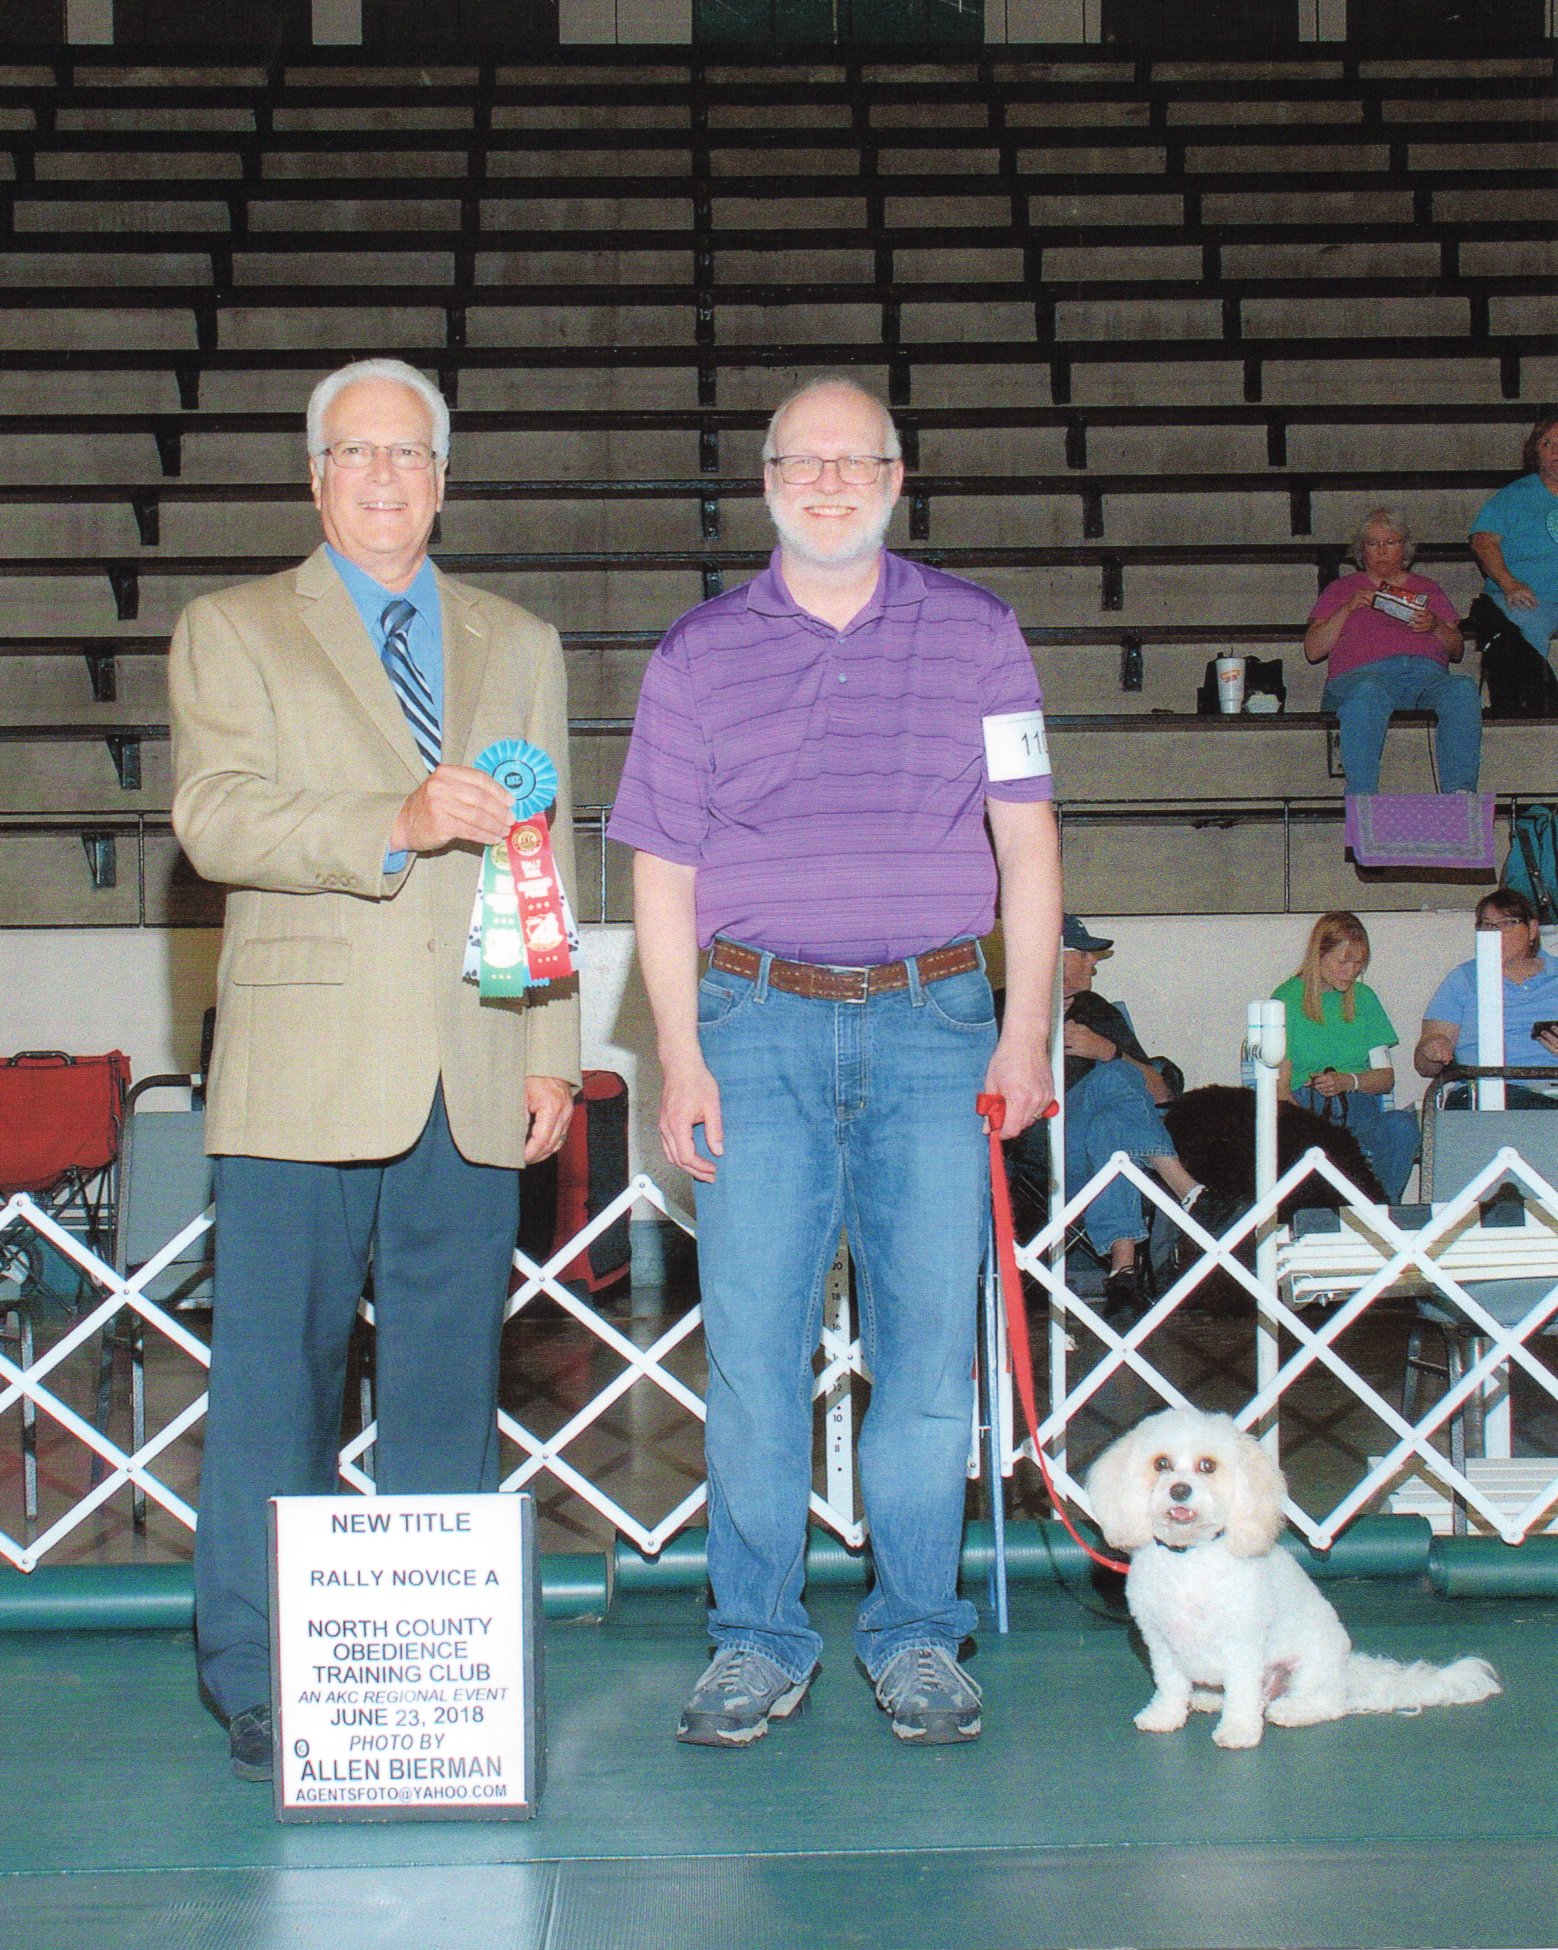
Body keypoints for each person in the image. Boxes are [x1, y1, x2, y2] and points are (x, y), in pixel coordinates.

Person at [608, 375, 1062, 1749]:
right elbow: (660, 869)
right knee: (752, 1353)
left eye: (853, 460)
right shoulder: (694, 653)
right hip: (753, 1030)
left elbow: (1027, 842)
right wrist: (679, 1051)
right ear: (764, 483)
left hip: (938, 1027)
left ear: (896, 478)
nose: (825, 481)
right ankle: (752, 1638)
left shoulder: (981, 633)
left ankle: (918, 1632)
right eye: (800, 461)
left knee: (926, 1357)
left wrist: (1024, 1028)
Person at [168, 358, 580, 1781]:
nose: (385, 476)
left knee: (451, 1389)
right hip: (299, 1068)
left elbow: (544, 848)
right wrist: (392, 821)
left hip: (473, 1063)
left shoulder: (519, 639)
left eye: (409, 453)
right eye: (357, 452)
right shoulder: (230, 628)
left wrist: (549, 1047)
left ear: (443, 480)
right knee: (272, 1388)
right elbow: (215, 818)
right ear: (314, 475)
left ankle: (442, 1670)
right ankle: (255, 1673)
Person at [1057, 916, 1230, 1321]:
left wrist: (1107, 1049)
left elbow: (1162, 1094)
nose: (1093, 964)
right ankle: (1189, 1192)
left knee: (1112, 1121)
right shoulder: (1005, 1009)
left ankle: (1123, 1275)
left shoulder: (1096, 1011)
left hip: (1097, 1152)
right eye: (1084, 954)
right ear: (1053, 958)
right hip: (1045, 1152)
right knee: (1113, 1078)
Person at [1303, 506, 1478, 798]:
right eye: (1373, 543)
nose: (1382, 551)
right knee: (1368, 691)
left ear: (1404, 547)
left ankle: (1461, 792)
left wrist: (1436, 624)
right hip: (1361, 675)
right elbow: (1313, 650)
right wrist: (1348, 607)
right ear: (1362, 550)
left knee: (1462, 688)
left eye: (1390, 542)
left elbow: (1457, 649)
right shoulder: (1342, 588)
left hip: (1425, 676)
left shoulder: (1427, 587)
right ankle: (1363, 798)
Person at [1273, 912, 1418, 1202]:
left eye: (1358, 963)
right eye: (1343, 962)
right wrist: (1309, 1124)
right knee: (1309, 1144)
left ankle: (1380, 1209)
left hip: (1358, 1111)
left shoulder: (1364, 998)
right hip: (1306, 1110)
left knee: (1402, 1126)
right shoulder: (1286, 998)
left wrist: (1349, 1081)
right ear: (1319, 955)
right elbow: (1281, 1090)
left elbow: (1385, 1078)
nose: (1351, 971)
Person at [1415, 888, 1558, 1104]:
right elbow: (1424, 1067)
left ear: (1532, 929)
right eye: (1487, 925)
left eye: (1507, 923)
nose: (1495, 932)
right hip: (1485, 1093)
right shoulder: (1463, 979)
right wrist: (1432, 1049)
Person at [1471, 411, 1558, 663]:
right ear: (1536, 452)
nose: (1555, 452)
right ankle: (1530, 690)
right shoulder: (1515, 496)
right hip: (1529, 598)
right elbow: (1483, 542)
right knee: (1524, 625)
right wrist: (1509, 584)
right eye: (1547, 444)